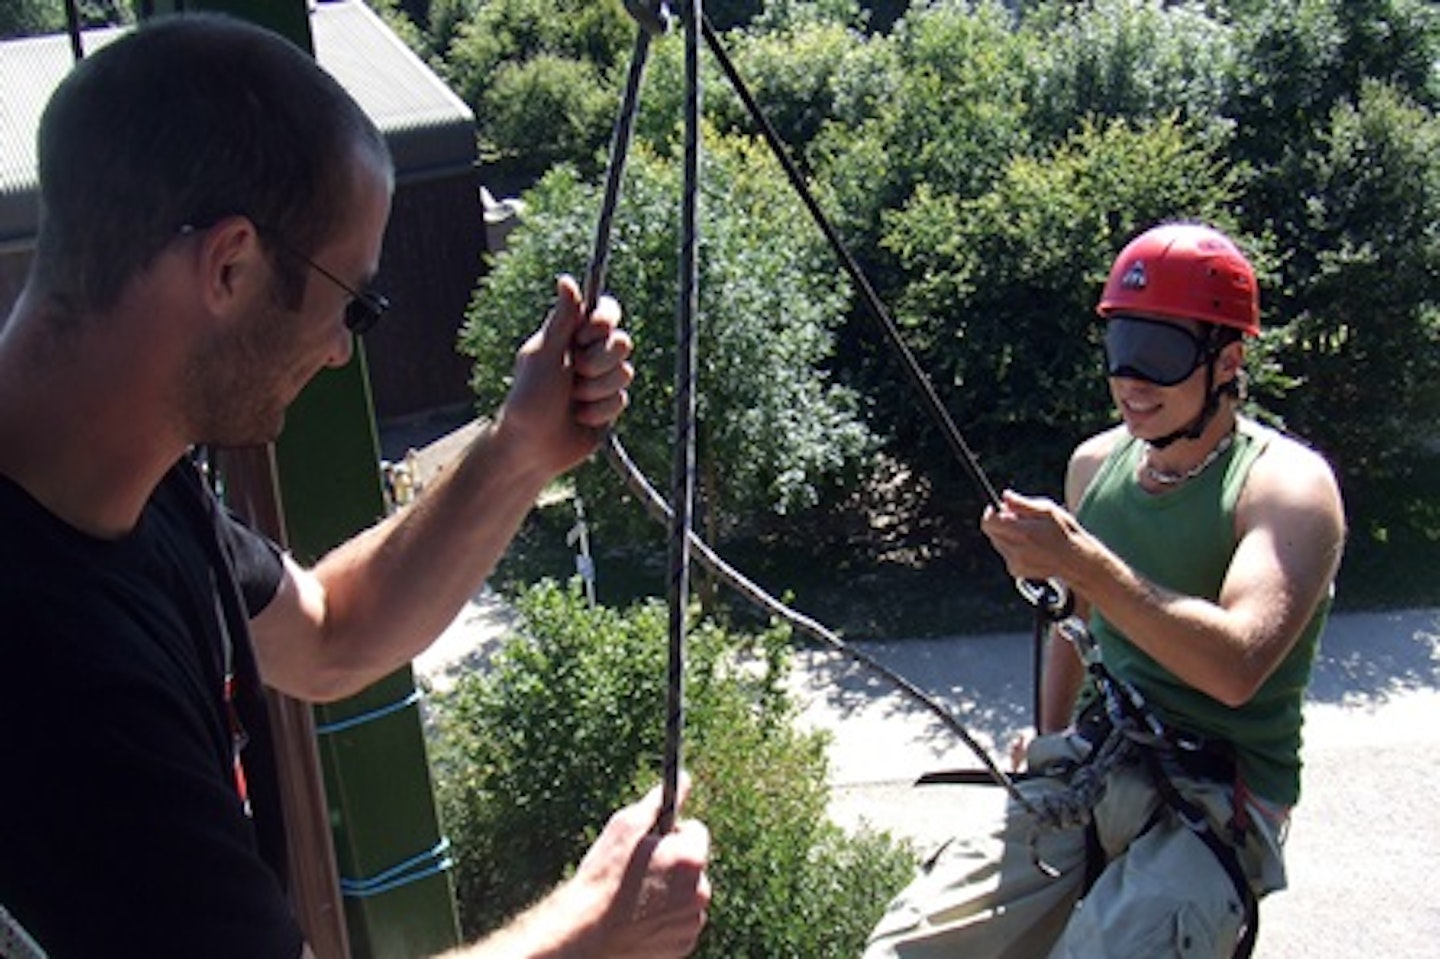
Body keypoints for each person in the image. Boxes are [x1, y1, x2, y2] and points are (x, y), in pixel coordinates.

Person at [0, 14, 710, 959]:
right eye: (355, 304)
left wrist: (518, 450)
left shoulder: (122, 478)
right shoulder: (53, 674)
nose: (341, 349)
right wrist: (595, 928)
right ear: (230, 264)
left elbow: (332, 629)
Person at [864, 222, 1346, 958]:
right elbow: (1074, 620)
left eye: (1160, 352)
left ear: (1228, 361)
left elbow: (1238, 665)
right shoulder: (1096, 465)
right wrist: (1048, 731)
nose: (1131, 379)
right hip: (1098, 759)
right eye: (1121, 349)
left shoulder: (1287, 487)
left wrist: (1086, 563)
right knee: (907, 946)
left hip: (1217, 799)